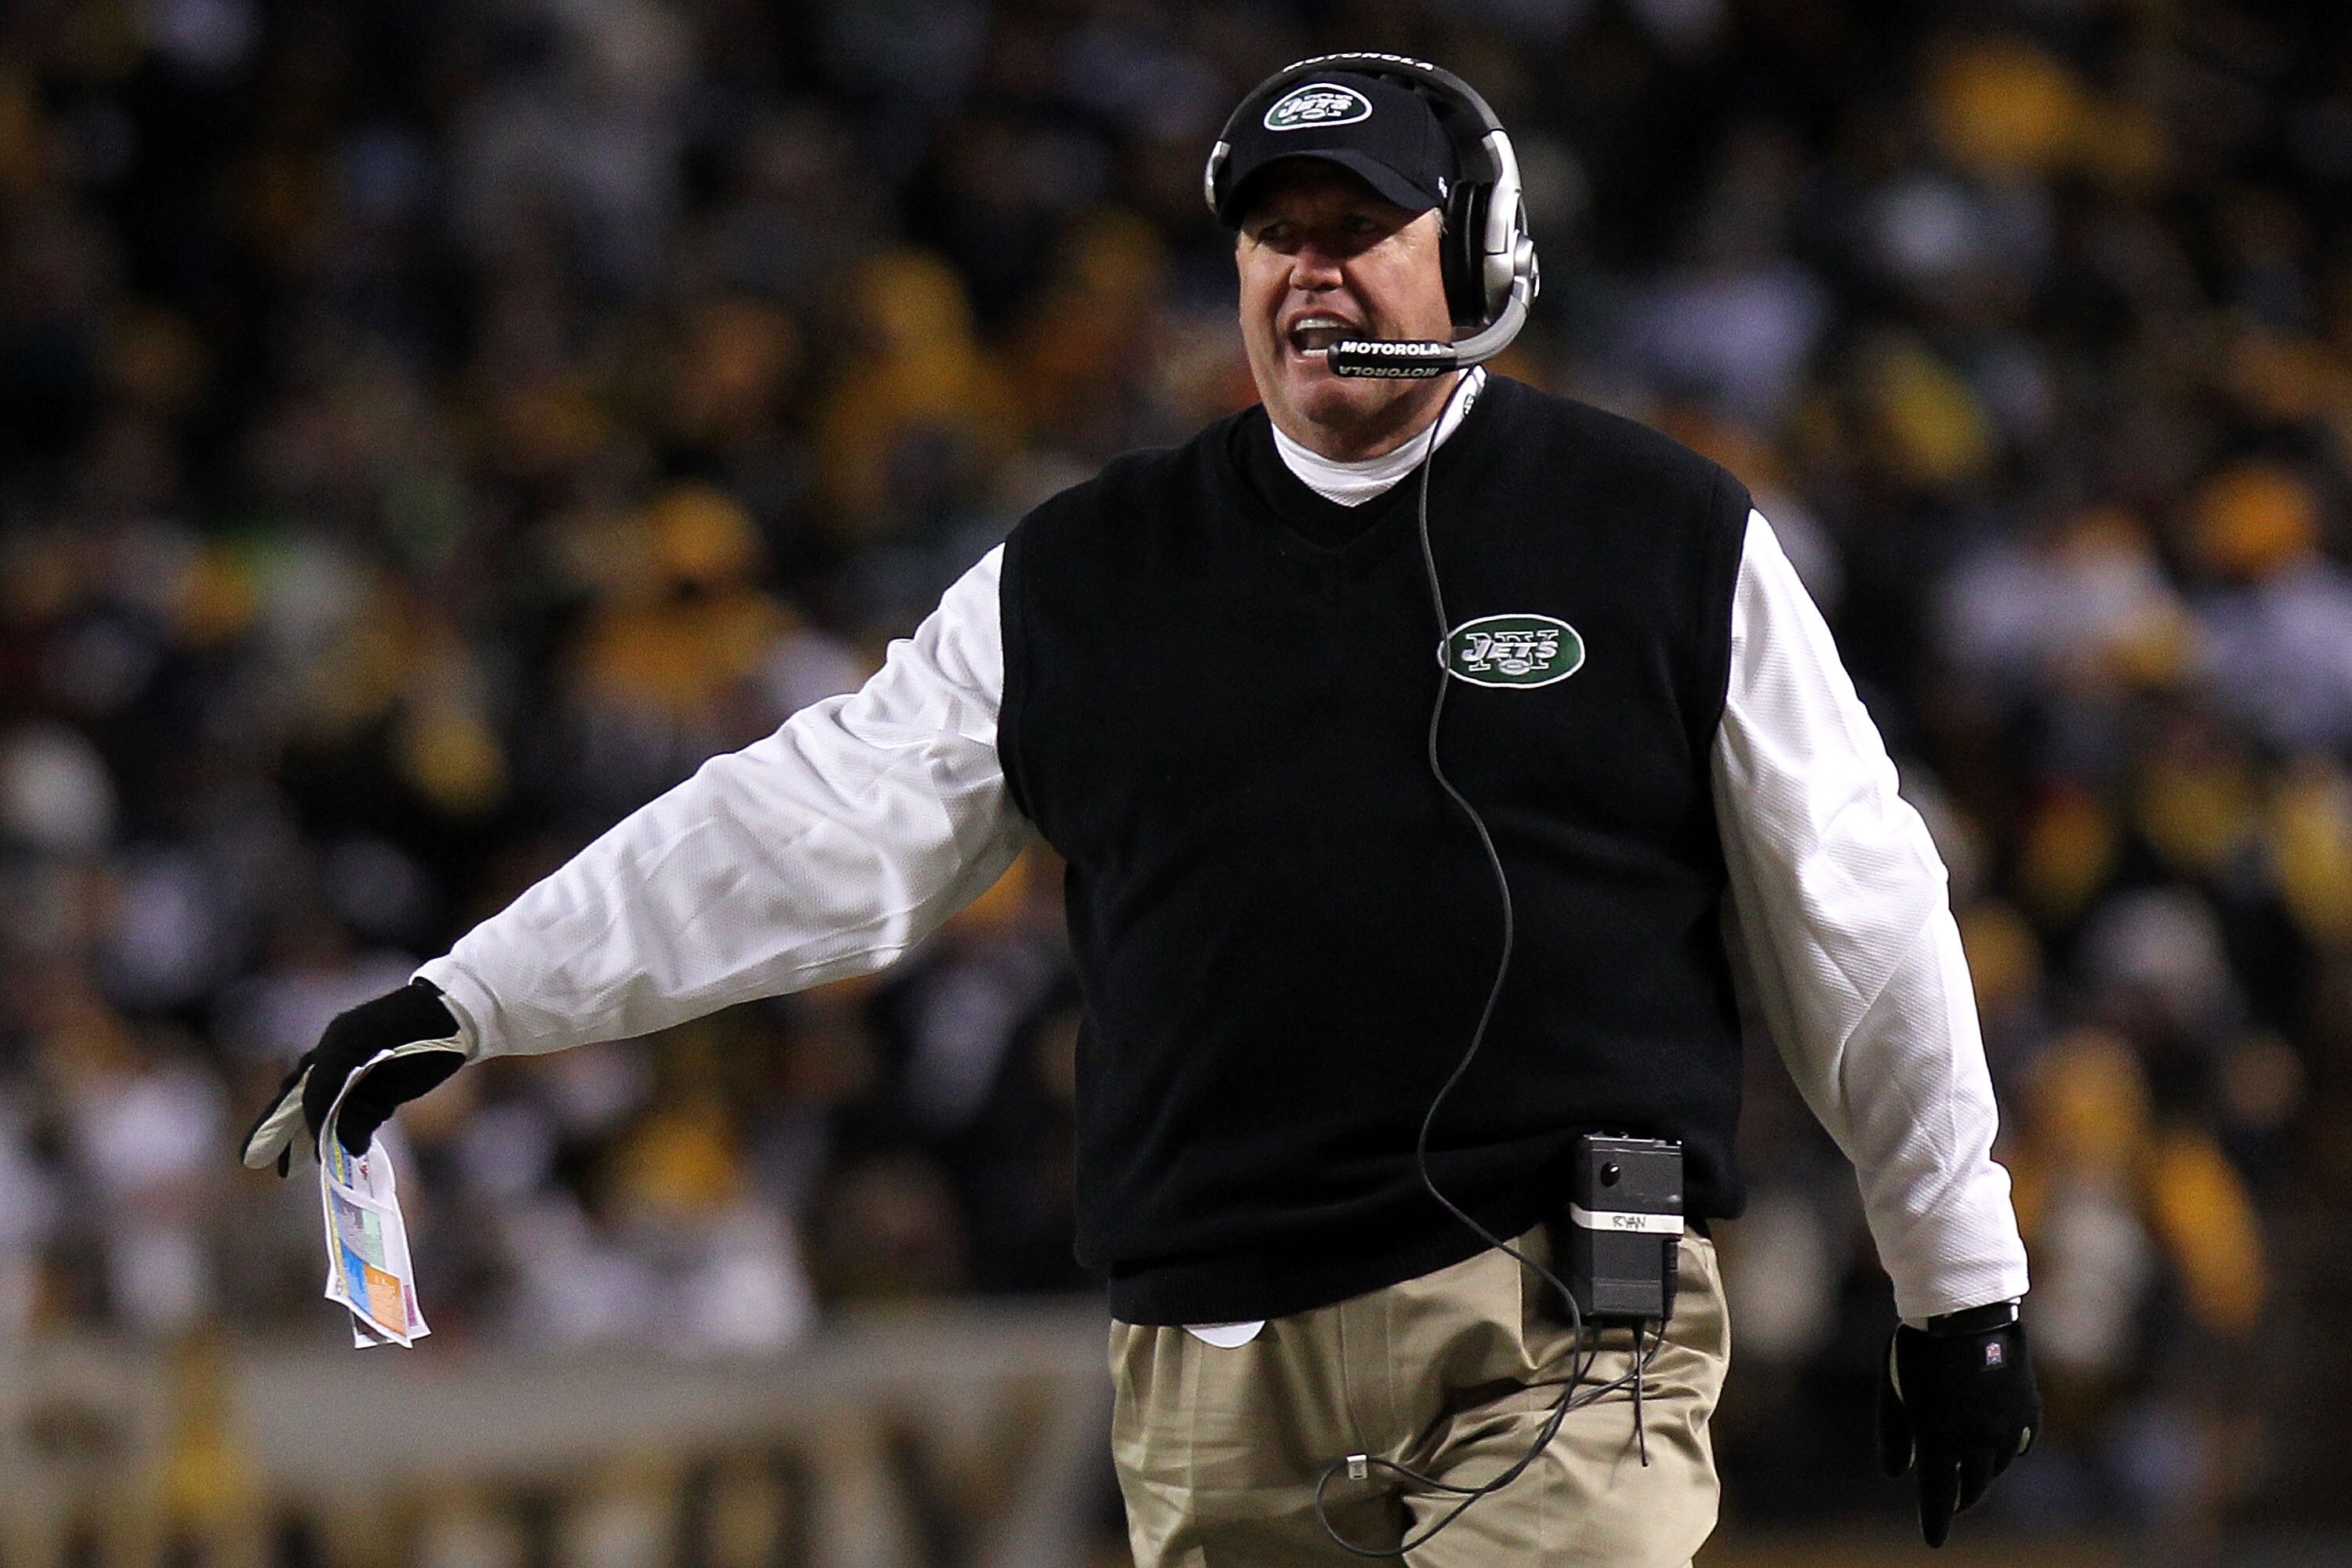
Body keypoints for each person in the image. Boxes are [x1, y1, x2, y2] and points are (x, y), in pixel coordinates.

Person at [244, 56, 2039, 1566]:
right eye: (1277, 235)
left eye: (1359, 233)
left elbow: (1855, 908)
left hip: (1562, 1331)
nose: (1310, 275)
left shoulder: (1664, 532)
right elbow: (802, 829)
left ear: (1483, 251)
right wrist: (469, 997)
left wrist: (1954, 1271)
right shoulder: (1083, 574)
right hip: (1210, 1371)